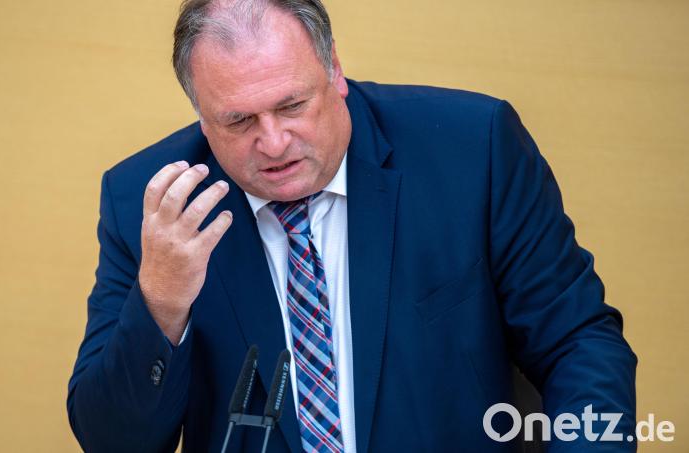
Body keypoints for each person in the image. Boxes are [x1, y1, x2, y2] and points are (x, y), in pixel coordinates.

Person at [67, 0, 637, 451]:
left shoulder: (472, 150)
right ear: (199, 111)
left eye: (291, 106)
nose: (272, 142)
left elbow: (577, 343)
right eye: (238, 120)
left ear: (334, 69)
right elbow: (114, 441)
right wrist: (161, 301)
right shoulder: (151, 202)